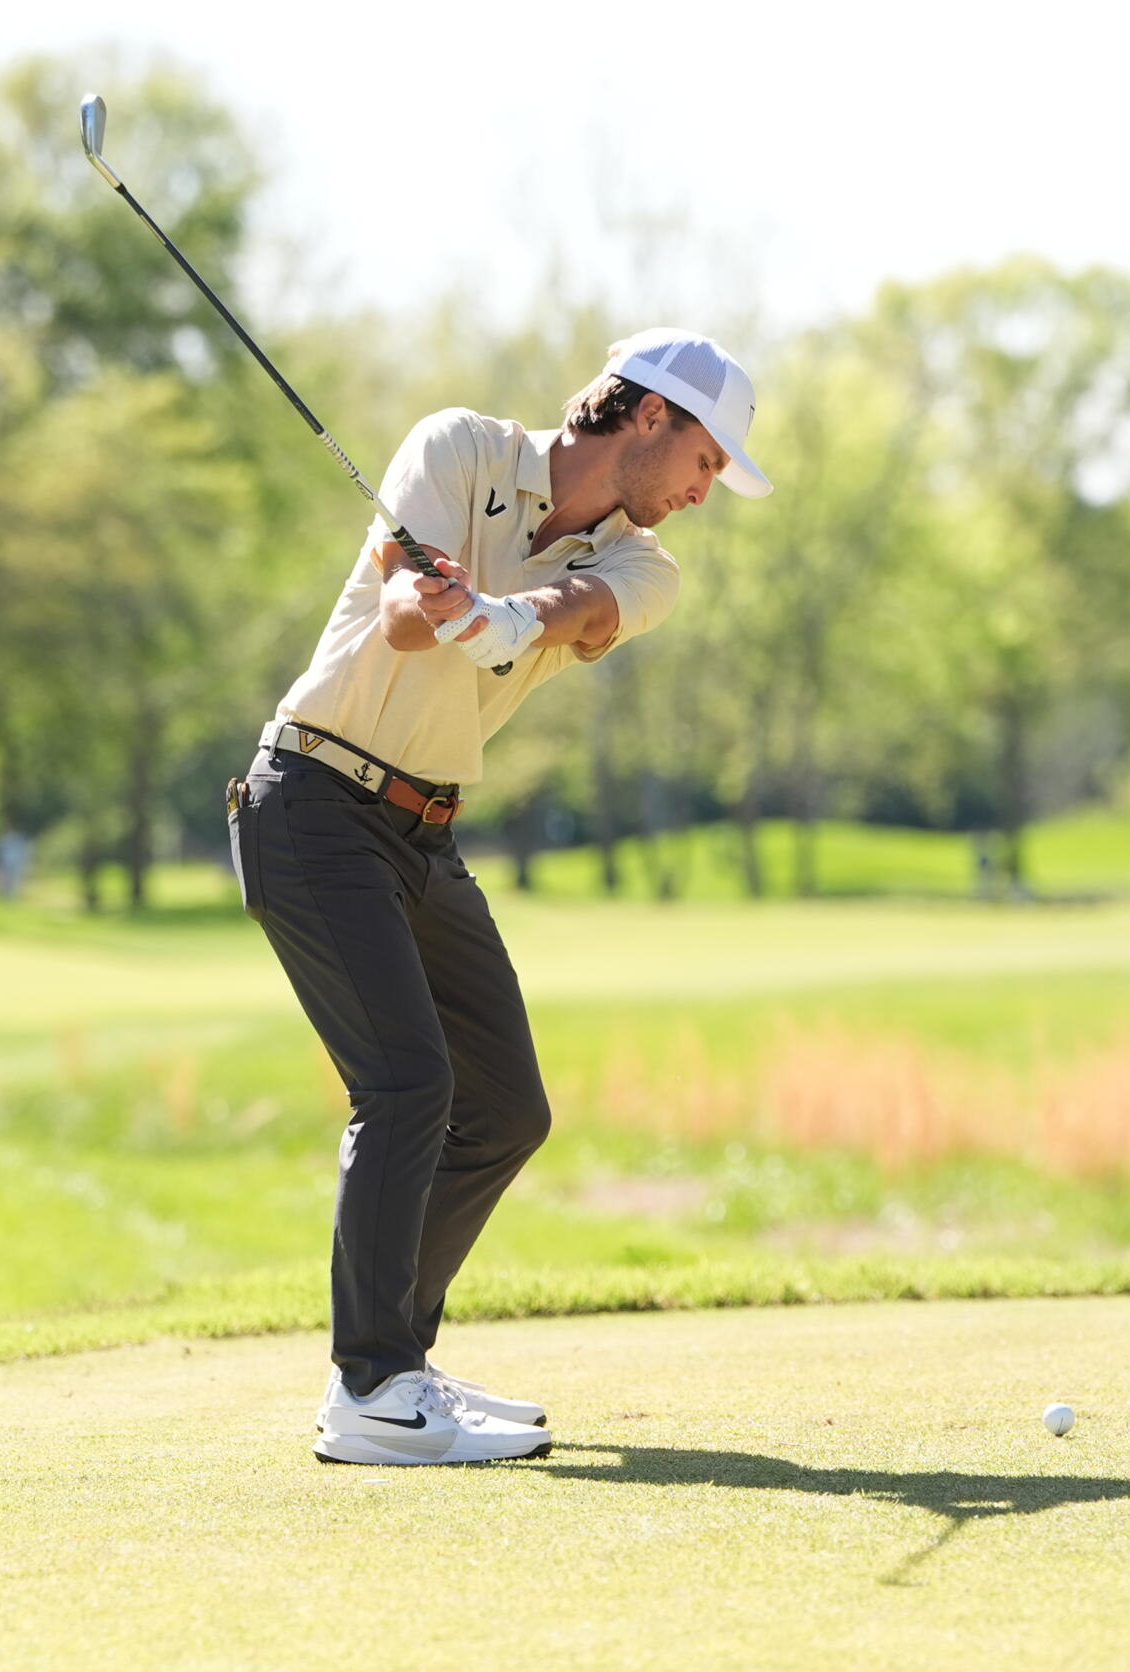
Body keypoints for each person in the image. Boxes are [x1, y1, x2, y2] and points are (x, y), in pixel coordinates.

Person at [237, 329, 770, 1465]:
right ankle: (371, 1387)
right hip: (314, 802)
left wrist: (509, 617)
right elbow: (400, 617)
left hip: (421, 831)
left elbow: (585, 609)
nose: (701, 492)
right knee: (407, 1082)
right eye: (706, 460)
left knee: (507, 1108)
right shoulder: (459, 448)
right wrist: (448, 601)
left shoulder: (649, 564)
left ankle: (398, 1362)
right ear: (649, 414)